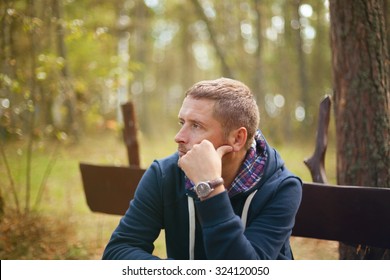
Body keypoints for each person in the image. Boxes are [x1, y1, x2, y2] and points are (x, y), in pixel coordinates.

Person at [102, 77, 302, 260]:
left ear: (237, 138)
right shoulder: (164, 175)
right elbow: (118, 251)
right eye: (182, 122)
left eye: (196, 125)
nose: (179, 136)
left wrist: (210, 188)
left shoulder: (281, 188)